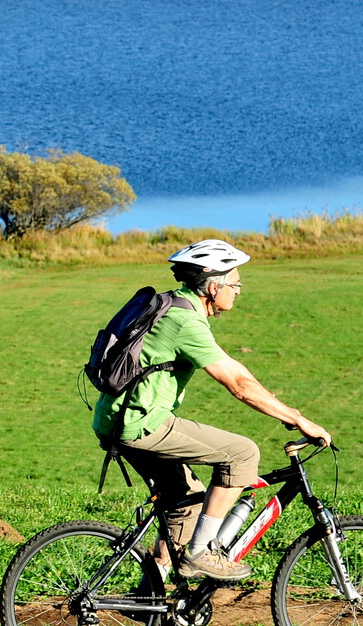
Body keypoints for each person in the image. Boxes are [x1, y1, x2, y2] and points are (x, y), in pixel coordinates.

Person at [93, 239, 333, 583]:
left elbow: (235, 367)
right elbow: (237, 384)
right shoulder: (184, 323)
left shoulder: (175, 306)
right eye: (235, 284)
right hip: (141, 423)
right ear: (214, 286)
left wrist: (284, 407)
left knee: (186, 501)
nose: (238, 291)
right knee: (242, 452)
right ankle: (202, 552)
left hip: (117, 419)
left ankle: (155, 595)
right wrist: (296, 418)